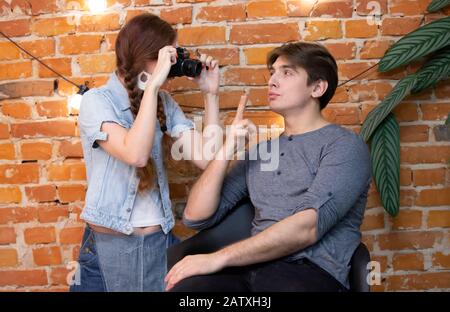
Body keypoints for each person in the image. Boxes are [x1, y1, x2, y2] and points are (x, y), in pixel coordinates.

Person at [165, 42, 372, 292]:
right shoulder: (262, 152)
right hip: (250, 269)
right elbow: (195, 216)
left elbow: (306, 228)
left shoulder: (345, 147)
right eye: (273, 72)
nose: (272, 81)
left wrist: (217, 258)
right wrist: (228, 148)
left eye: (287, 72)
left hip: (308, 273)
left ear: (317, 87)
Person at [70, 13, 222, 292]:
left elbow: (206, 159)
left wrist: (210, 94)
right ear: (147, 57)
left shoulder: (164, 101)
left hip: (156, 247)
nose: (174, 65)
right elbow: (135, 154)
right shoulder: (95, 101)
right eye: (170, 56)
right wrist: (152, 86)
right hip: (107, 249)